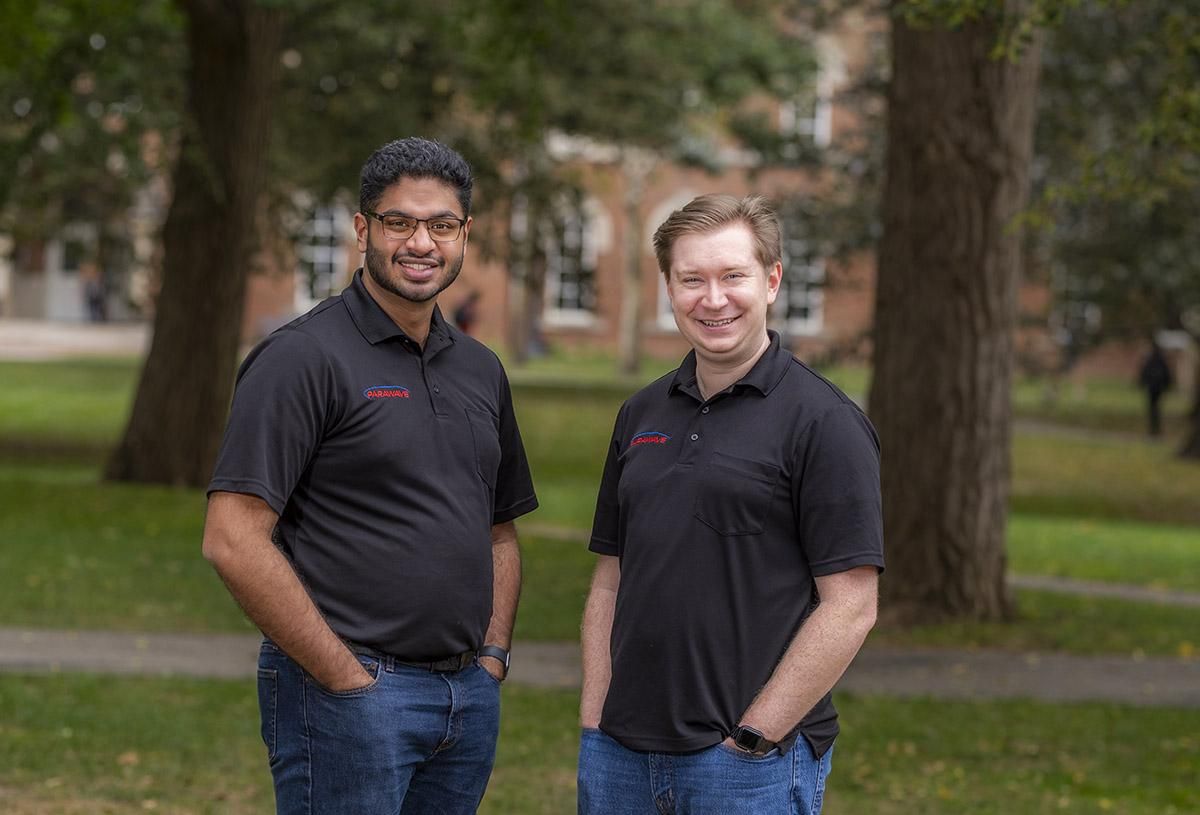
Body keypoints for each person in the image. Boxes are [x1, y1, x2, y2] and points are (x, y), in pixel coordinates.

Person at [202, 137, 538, 815]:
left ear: (465, 234)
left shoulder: (481, 369)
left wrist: (492, 657)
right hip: (349, 695)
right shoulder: (302, 358)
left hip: (464, 700)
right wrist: (347, 680)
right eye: (399, 222)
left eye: (442, 225)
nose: (422, 242)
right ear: (363, 229)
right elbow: (233, 538)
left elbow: (498, 531)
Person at [578, 194, 884, 814]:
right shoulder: (640, 413)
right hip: (619, 755)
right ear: (668, 288)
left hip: (745, 766)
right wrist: (594, 720)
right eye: (692, 279)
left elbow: (850, 606)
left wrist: (752, 737)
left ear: (771, 280)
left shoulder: (824, 422)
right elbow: (610, 581)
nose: (712, 299)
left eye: (732, 276)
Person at [1138, 338, 1173, 437]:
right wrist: (1168, 385)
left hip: (1152, 387)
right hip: (1159, 387)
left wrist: (1141, 383)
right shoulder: (1162, 359)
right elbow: (1167, 373)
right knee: (1156, 407)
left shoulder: (1150, 358)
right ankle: (1156, 428)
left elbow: (1144, 371)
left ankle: (1153, 428)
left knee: (1152, 407)